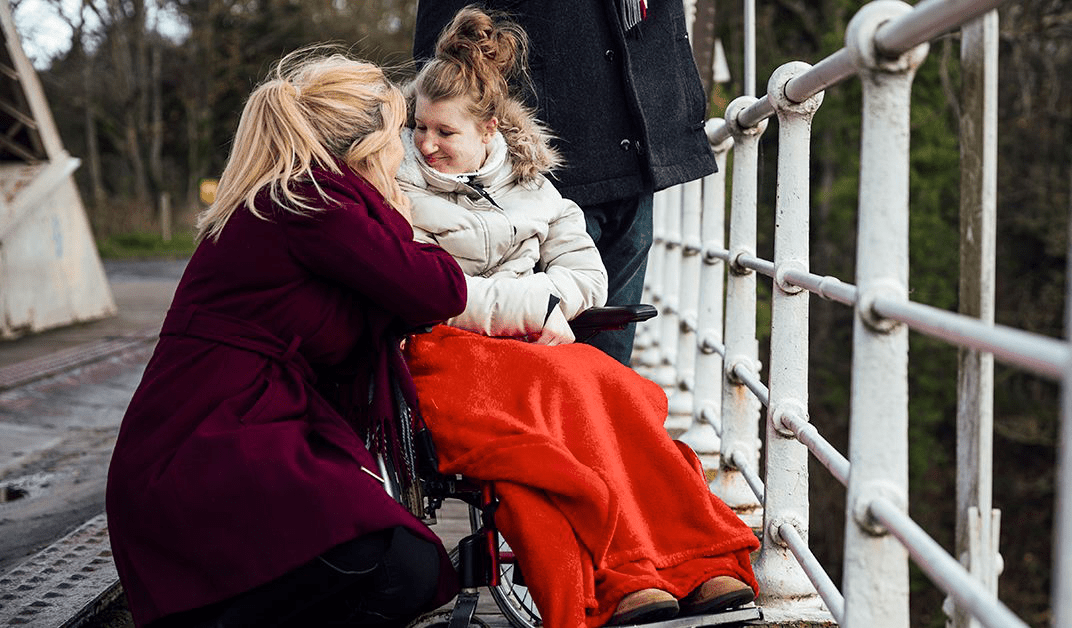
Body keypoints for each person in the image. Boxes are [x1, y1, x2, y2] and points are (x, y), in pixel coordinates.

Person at [396, 9, 758, 628]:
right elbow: (428, 287)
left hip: (532, 345)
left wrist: (546, 302)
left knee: (621, 391)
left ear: (488, 130)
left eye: (445, 131)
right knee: (566, 395)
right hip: (446, 352)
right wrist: (535, 306)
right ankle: (624, 575)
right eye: (419, 127)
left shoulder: (532, 183)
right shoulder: (397, 190)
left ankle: (695, 559)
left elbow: (588, 275)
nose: (427, 144)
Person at [105, 49, 468, 628]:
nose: (407, 150)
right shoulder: (313, 201)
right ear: (370, 146)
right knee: (401, 565)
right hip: (208, 449)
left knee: (404, 563)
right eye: (400, 133)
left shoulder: (295, 195)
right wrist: (403, 217)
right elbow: (439, 288)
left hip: (216, 437)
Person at [414, 0, 718, 365]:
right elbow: (440, 69)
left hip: (639, 137)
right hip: (549, 146)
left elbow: (584, 278)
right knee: (543, 364)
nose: (426, 141)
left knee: (609, 368)